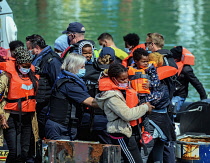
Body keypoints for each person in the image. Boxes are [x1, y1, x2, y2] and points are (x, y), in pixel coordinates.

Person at [96, 63, 154, 163]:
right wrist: (145, 107)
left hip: (132, 131)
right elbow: (127, 115)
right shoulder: (111, 97)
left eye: (127, 78)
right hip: (121, 133)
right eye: (122, 79)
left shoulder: (125, 90)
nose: (126, 81)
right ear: (113, 79)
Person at [130, 48, 176, 163]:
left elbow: (158, 98)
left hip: (154, 119)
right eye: (143, 62)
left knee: (147, 147)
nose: (146, 64)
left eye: (148, 61)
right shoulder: (135, 72)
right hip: (160, 118)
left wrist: (143, 103)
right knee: (157, 148)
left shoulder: (159, 80)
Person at [45, 53, 99, 140]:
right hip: (60, 127)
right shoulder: (69, 85)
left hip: (62, 124)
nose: (84, 69)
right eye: (82, 67)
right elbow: (91, 102)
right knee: (61, 153)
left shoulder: (63, 77)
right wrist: (110, 102)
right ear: (74, 67)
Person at [0, 47, 39, 163]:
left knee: (24, 151)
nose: (26, 68)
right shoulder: (6, 76)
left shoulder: (32, 76)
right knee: (13, 151)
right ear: (18, 64)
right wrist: (2, 117)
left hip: (27, 118)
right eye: (24, 66)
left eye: (28, 66)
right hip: (10, 117)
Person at [145, 32, 177, 163]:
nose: (145, 46)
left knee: (161, 142)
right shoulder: (171, 60)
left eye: (147, 43)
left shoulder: (160, 62)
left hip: (159, 107)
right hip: (167, 103)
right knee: (165, 141)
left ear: (152, 44)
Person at [25, 34, 62, 139]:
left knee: (43, 131)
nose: (28, 51)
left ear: (36, 48)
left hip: (47, 104)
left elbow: (58, 82)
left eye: (28, 49)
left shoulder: (52, 61)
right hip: (38, 103)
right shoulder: (38, 59)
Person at [170, 46, 207, 115]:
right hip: (170, 94)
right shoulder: (170, 65)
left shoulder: (186, 69)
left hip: (179, 95)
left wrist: (203, 98)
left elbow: (196, 83)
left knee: (172, 110)